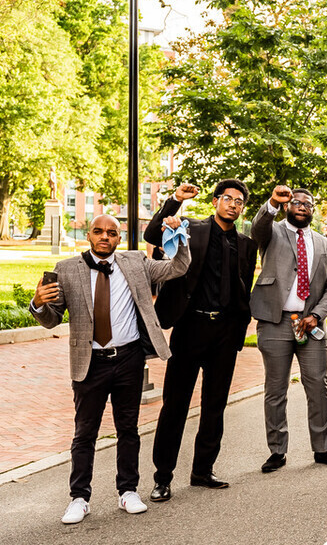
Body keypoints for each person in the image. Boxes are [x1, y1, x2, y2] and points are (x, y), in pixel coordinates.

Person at [31, 214, 190, 524]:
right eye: (98, 231)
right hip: (89, 362)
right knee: (84, 432)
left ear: (119, 237)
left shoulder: (136, 262)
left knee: (128, 429)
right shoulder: (66, 269)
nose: (105, 236)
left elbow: (178, 267)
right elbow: (51, 319)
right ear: (89, 236)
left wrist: (180, 238)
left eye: (112, 232)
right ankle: (79, 498)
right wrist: (38, 303)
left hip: (129, 359)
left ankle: (128, 491)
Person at [144, 181, 257, 502]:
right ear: (215, 201)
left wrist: (239, 325)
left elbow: (244, 286)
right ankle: (162, 477)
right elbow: (152, 235)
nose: (233, 204)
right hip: (190, 327)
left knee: (214, 405)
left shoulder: (246, 244)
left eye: (239, 201)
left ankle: (203, 470)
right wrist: (175, 201)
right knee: (175, 405)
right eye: (228, 199)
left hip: (225, 333)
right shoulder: (191, 228)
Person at [250, 186, 327, 474]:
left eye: (308, 203)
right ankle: (277, 451)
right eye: (296, 202)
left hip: (311, 324)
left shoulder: (324, 244)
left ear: (313, 210)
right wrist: (272, 202)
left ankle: (322, 448)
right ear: (288, 206)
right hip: (275, 322)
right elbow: (257, 228)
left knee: (318, 386)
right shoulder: (272, 232)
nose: (302, 206)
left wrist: (317, 315)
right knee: (275, 389)